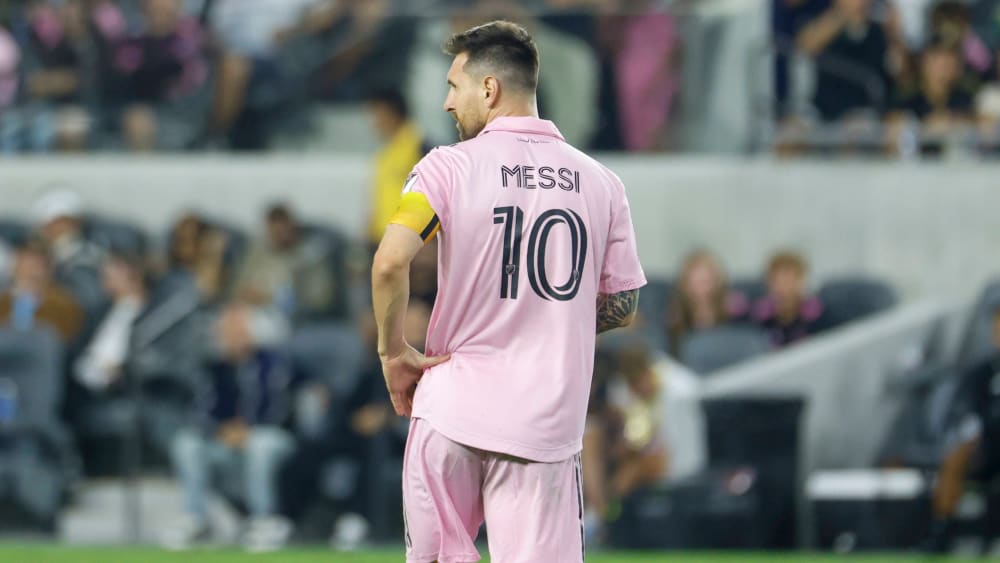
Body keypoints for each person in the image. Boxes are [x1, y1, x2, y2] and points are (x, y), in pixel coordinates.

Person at [371, 21, 645, 562]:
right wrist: (546, 321)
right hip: (543, 427)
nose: (448, 103)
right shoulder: (602, 183)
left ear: (489, 88)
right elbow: (623, 306)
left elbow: (388, 262)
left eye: (454, 86)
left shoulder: (445, 168)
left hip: (450, 411)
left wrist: (393, 352)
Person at [922, 304, 1000, 553]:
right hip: (987, 445)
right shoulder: (982, 371)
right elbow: (964, 410)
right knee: (954, 458)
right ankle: (942, 530)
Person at [367, 88, 428, 249]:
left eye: (378, 114)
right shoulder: (386, 153)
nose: (375, 122)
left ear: (392, 112)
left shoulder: (419, 146)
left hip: (408, 241)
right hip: (382, 239)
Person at [665, 250, 749, 356]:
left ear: (716, 281)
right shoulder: (677, 315)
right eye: (695, 282)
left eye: (705, 281)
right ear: (685, 284)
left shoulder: (733, 308)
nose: (701, 288)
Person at [0, 238, 84, 344]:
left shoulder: (64, 305)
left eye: (37, 265)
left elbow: (62, 339)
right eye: (26, 264)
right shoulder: (3, 300)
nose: (31, 271)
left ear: (49, 270)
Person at [751, 250, 823, 348]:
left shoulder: (818, 316)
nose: (781, 288)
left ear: (801, 281)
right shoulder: (759, 317)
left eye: (788, 281)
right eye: (776, 281)